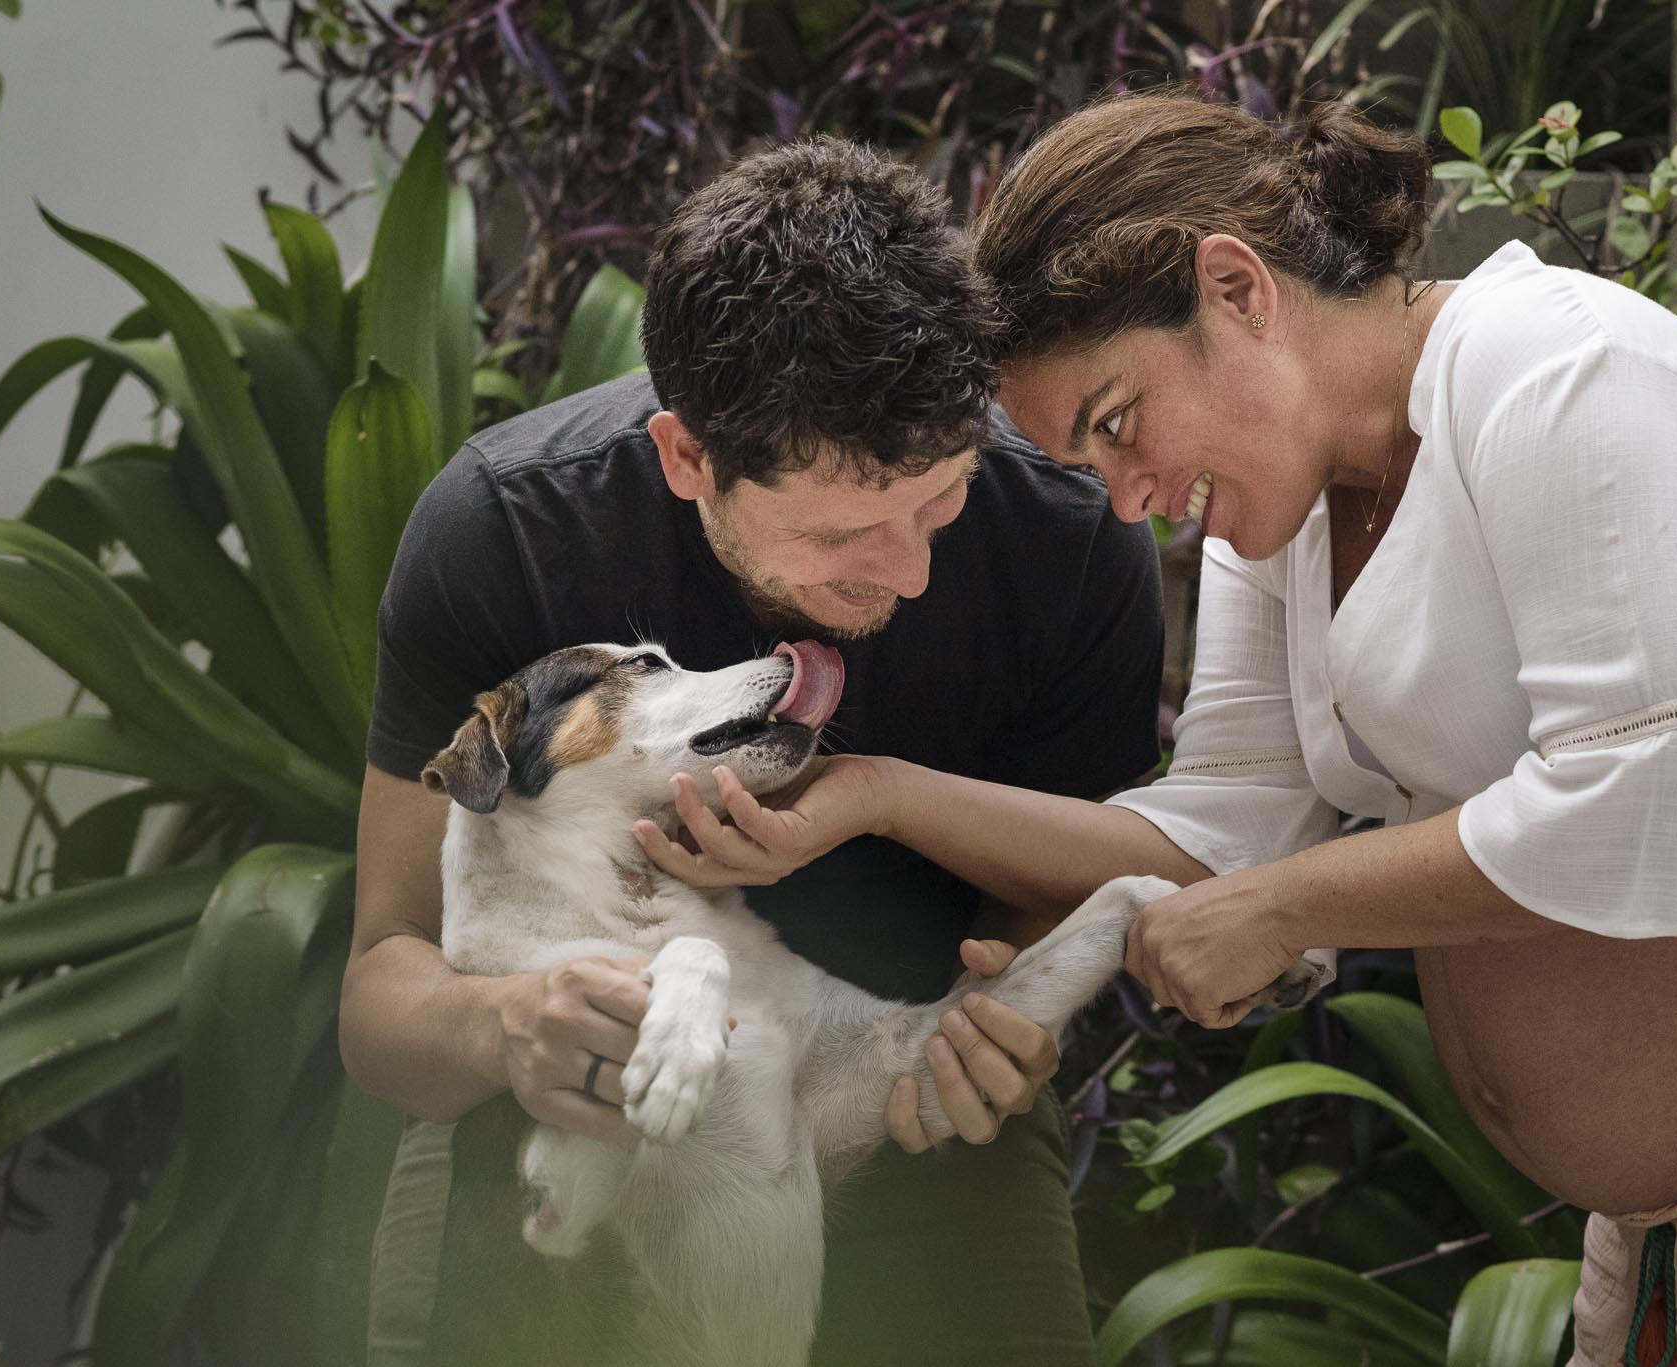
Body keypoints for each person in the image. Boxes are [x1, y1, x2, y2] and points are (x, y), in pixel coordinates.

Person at [638, 94, 1677, 1364]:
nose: (1127, 500)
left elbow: (1640, 801)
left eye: (1122, 423)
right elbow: (1216, 833)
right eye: (1088, 463)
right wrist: (876, 788)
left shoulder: (1561, 371)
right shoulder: (1279, 518)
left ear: (1238, 289)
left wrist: (1293, 905)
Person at [339, 137, 1164, 1367]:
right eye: (842, 531)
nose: (913, 569)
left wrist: (1009, 1024)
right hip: (560, 1123)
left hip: (901, 1104)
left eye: (939, 499)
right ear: (687, 458)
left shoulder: (1067, 535)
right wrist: (502, 1026)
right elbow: (379, 991)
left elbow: (1052, 892)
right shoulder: (508, 529)